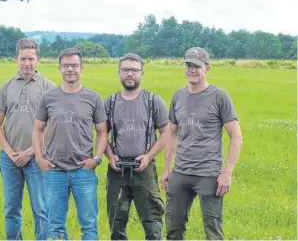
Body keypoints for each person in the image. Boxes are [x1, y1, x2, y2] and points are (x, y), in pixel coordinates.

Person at [161, 47, 243, 240]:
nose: (192, 70)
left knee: (212, 232)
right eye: (188, 65)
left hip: (208, 175)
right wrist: (167, 169)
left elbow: (236, 137)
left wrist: (227, 173)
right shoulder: (178, 96)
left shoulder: (219, 97)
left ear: (207, 68)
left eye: (196, 66)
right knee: (173, 229)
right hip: (180, 173)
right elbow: (171, 133)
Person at [31, 48, 108, 240]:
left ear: (82, 68)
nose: (70, 69)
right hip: (54, 170)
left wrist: (96, 159)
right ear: (60, 68)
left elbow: (102, 132)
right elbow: (37, 129)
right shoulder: (48, 97)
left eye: (74, 65)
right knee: (55, 226)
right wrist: (40, 158)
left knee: (89, 225)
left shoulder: (93, 97)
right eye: (66, 65)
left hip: (84, 171)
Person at [0, 38, 55, 240]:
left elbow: (52, 127)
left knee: (41, 208)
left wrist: (30, 152)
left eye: (31, 59)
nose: (27, 63)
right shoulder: (6, 87)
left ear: (38, 60)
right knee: (11, 209)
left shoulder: (49, 88)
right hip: (9, 159)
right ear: (16, 59)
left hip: (37, 159)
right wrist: (11, 152)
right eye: (23, 59)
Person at [103, 53, 168, 240]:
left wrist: (148, 157)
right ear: (119, 73)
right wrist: (110, 156)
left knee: (153, 224)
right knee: (116, 224)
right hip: (117, 170)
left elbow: (167, 133)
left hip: (144, 170)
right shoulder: (110, 102)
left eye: (134, 70)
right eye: (125, 70)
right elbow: (102, 134)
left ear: (142, 74)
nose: (130, 74)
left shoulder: (153, 101)